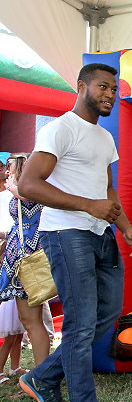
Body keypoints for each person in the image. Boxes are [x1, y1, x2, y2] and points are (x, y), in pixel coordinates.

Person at [18, 63, 132, 402]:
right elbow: (28, 184)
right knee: (80, 324)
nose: (110, 94)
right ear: (81, 87)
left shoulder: (105, 137)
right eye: (103, 87)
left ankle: (42, 377)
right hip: (66, 233)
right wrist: (88, 206)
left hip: (102, 234)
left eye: (114, 90)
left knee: (108, 312)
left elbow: (107, 189)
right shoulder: (60, 129)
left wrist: (127, 228)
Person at [0, 154, 51, 368]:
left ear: (21, 166)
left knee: (32, 321)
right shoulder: (25, 188)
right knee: (29, 321)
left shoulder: (29, 189)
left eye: (9, 167)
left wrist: (13, 187)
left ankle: (42, 374)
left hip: (27, 258)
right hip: (20, 258)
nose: (6, 171)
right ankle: (41, 373)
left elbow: (27, 199)